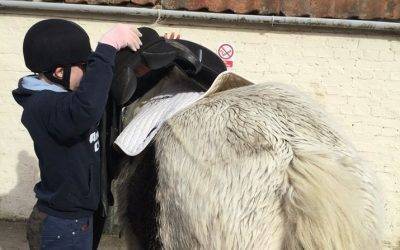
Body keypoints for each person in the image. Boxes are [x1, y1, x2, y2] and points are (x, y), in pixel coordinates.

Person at [12, 19, 142, 249]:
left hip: (78, 219)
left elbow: (104, 92)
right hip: (60, 226)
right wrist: (107, 46)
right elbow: (84, 111)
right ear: (59, 72)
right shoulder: (41, 106)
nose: (89, 72)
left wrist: (147, 64)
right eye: (84, 65)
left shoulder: (67, 98)